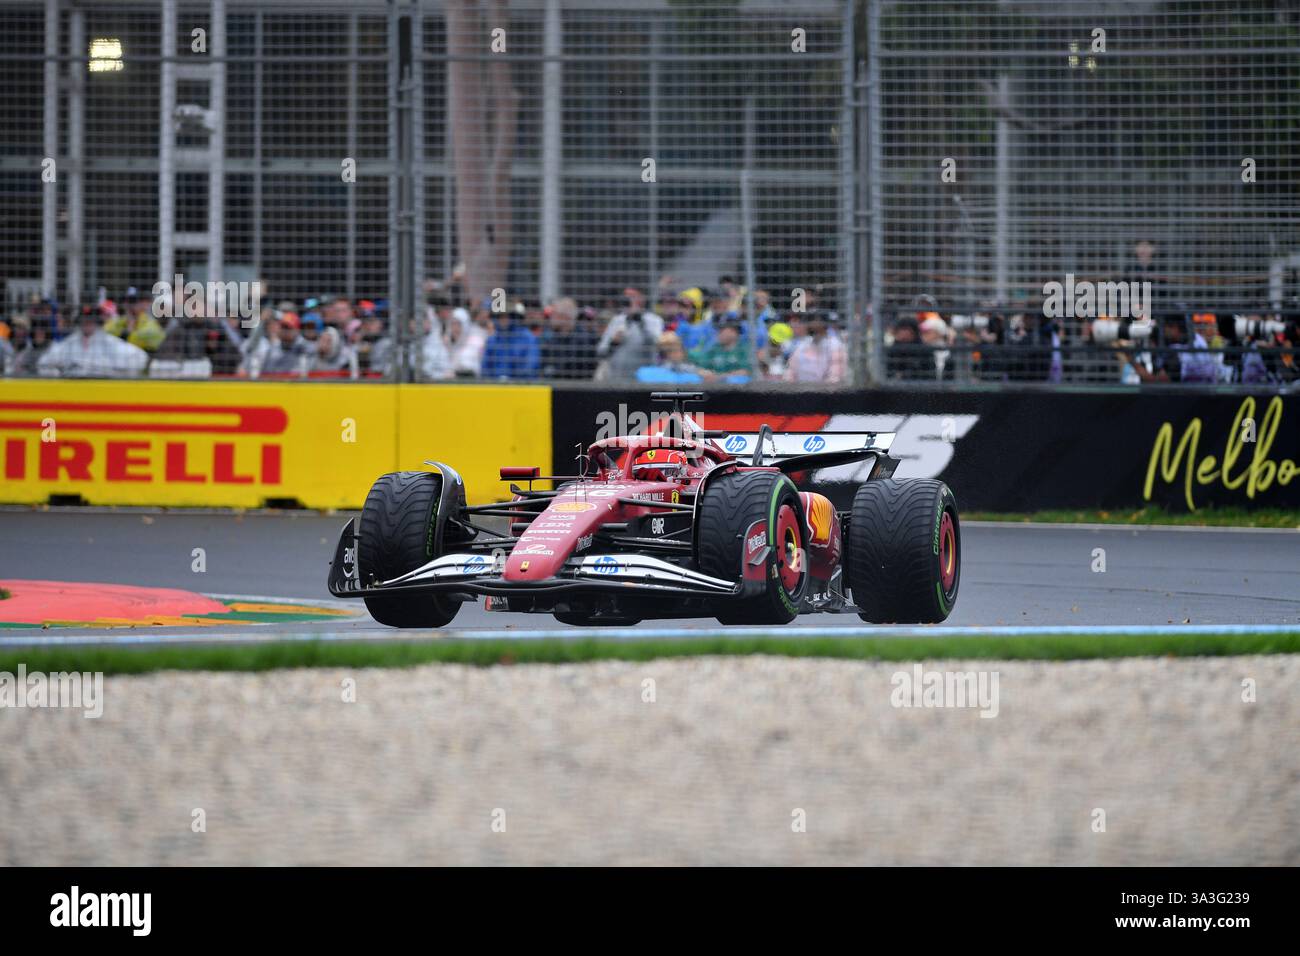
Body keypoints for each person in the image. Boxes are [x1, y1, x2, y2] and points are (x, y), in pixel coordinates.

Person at [37, 305, 148, 377]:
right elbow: (44, 363)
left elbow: (141, 359)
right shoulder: (69, 343)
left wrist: (114, 374)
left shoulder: (110, 343)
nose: (87, 323)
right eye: (84, 320)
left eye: (91, 320)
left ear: (97, 322)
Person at [596, 288, 663, 380]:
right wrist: (613, 342)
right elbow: (601, 351)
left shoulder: (654, 320)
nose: (628, 299)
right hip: (617, 379)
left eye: (632, 297)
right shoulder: (617, 320)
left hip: (644, 379)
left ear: (642, 299)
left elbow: (655, 346)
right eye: (626, 297)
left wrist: (639, 321)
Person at [539, 297, 598, 379]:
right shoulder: (549, 337)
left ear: (565, 317)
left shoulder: (584, 341)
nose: (551, 317)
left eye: (555, 314)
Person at [784, 309, 848, 384]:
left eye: (814, 319)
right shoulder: (803, 344)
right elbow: (790, 371)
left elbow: (834, 377)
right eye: (809, 319)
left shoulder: (835, 345)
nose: (811, 323)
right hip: (800, 391)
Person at [481, 303, 540, 380]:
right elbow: (485, 367)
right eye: (500, 317)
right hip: (495, 386)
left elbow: (531, 366)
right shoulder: (492, 340)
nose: (503, 320)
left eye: (506, 316)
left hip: (521, 386)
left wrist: (512, 381)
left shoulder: (527, 338)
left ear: (514, 317)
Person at [688, 314, 751, 382]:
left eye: (722, 329)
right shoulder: (714, 348)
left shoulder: (744, 349)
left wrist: (720, 377)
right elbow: (702, 368)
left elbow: (745, 372)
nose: (718, 332)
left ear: (734, 332)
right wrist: (706, 373)